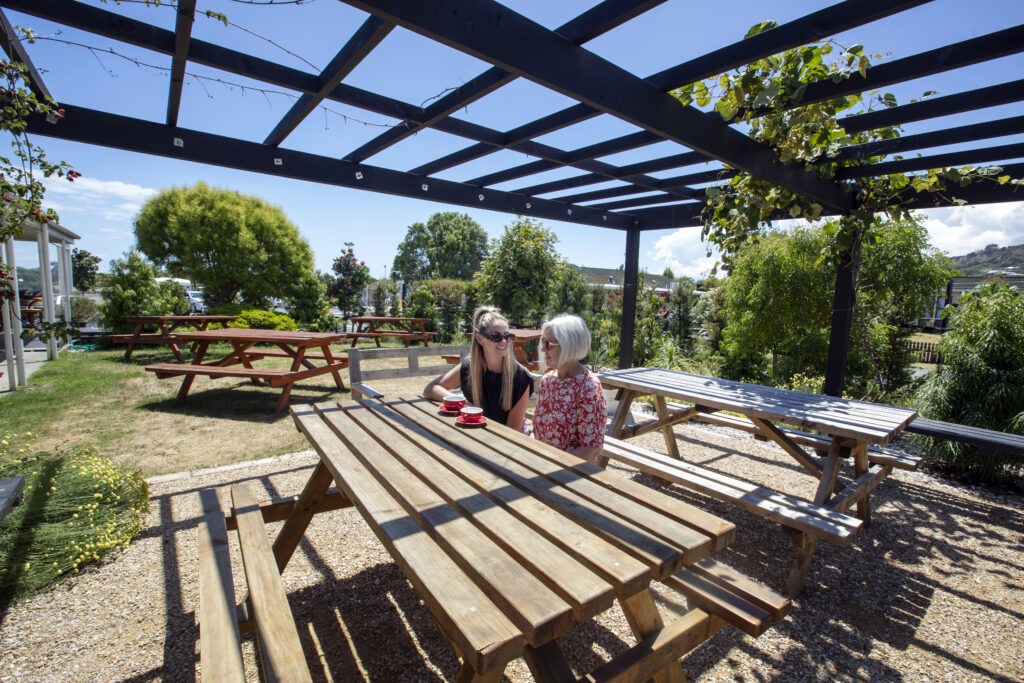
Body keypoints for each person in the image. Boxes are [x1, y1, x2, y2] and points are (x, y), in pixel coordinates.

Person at [423, 306, 533, 429]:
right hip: (473, 435)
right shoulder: (470, 366)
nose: (503, 341)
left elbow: (513, 433)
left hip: (505, 441)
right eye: (496, 336)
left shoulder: (521, 377)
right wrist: (463, 403)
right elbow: (430, 389)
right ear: (480, 339)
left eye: (507, 336)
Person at [532, 314, 607, 463]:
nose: (543, 349)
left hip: (571, 474)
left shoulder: (588, 386)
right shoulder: (547, 381)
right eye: (543, 342)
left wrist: (553, 465)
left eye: (549, 344)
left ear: (568, 345)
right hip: (542, 465)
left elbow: (591, 448)